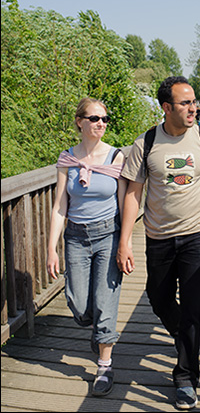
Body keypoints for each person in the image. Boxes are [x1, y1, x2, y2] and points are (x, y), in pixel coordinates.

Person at [118, 76, 200, 410]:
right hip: (159, 237)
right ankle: (186, 337)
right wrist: (125, 241)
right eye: (184, 103)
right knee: (158, 297)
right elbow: (132, 195)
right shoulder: (147, 143)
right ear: (166, 107)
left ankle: (185, 378)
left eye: (193, 101)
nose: (192, 108)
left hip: (198, 234)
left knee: (194, 309)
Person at [46, 98, 126, 397]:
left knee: (106, 302)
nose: (101, 124)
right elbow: (59, 206)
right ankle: (97, 328)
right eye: (94, 118)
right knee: (79, 305)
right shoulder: (67, 158)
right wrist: (51, 248)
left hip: (109, 235)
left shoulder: (116, 157)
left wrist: (126, 243)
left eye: (105, 119)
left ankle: (104, 365)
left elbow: (124, 205)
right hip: (76, 238)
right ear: (80, 121)